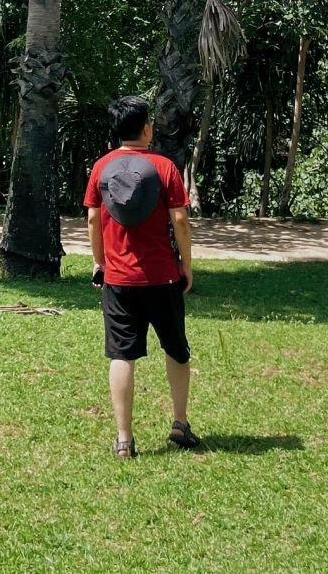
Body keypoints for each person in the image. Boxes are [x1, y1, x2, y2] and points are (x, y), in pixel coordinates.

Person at [83, 95, 200, 459]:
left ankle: (124, 439)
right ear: (147, 128)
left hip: (118, 280)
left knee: (122, 355)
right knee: (177, 351)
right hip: (163, 277)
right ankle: (180, 423)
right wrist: (186, 264)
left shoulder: (101, 168)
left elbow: (91, 220)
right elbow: (179, 219)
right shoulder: (164, 167)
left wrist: (100, 262)